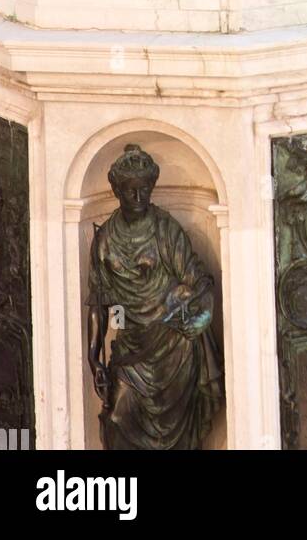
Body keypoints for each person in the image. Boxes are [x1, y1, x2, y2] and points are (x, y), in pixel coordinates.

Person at [87, 145, 223, 451]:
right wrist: (93, 357)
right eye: (131, 190)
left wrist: (200, 316)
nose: (139, 197)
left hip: (175, 345)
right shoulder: (104, 239)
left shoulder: (165, 230)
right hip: (132, 345)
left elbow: (197, 280)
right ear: (117, 190)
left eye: (145, 189)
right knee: (116, 419)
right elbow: (101, 306)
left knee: (179, 437)